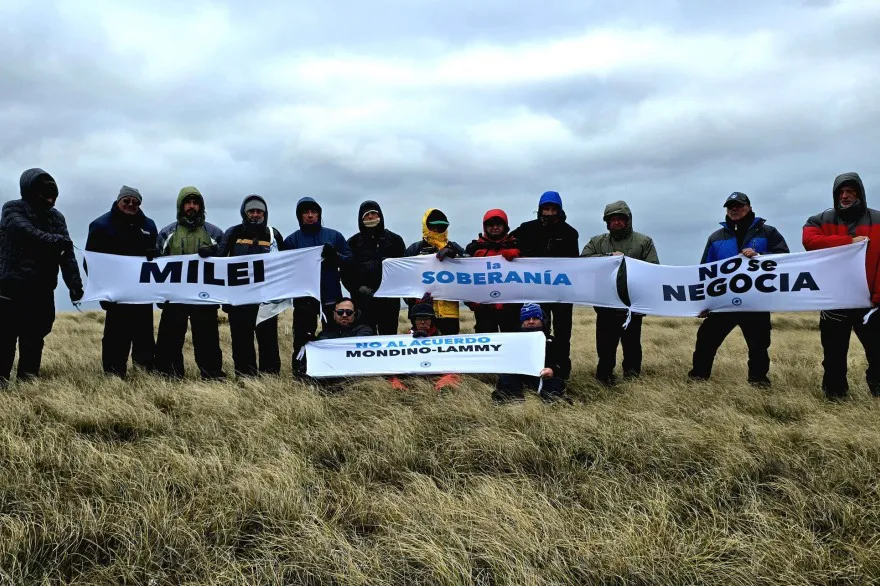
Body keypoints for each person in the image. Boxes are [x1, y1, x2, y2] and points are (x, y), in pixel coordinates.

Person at [688, 192, 789, 386]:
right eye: (730, 206)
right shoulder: (716, 237)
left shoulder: (767, 232)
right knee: (705, 340)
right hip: (723, 302)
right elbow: (706, 271)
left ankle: (758, 382)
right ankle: (698, 378)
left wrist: (759, 255)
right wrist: (704, 302)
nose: (734, 209)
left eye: (739, 205)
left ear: (749, 207)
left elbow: (783, 259)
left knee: (759, 346)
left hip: (755, 302)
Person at [0, 168, 83, 388]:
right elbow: (24, 232)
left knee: (34, 342)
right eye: (44, 193)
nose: (49, 198)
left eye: (52, 193)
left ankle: (28, 388)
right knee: (4, 343)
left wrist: (75, 285)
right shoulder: (12, 209)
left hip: (41, 292)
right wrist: (57, 241)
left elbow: (67, 254)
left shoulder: (57, 217)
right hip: (10, 291)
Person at [803, 172, 880, 400]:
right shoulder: (820, 219)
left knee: (877, 351)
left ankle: (877, 388)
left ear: (860, 194)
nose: (845, 196)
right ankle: (835, 395)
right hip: (835, 302)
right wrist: (848, 242)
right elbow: (810, 241)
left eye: (851, 192)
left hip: (870, 303)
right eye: (841, 192)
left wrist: (878, 295)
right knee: (834, 354)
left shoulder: (877, 219)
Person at [202, 194, 284, 377]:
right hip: (239, 302)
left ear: (265, 213)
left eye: (259, 211)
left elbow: (286, 263)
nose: (255, 214)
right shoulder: (233, 233)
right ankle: (246, 379)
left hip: (266, 302)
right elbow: (220, 258)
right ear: (244, 213)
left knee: (268, 341)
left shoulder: (273, 234)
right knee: (241, 342)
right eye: (251, 211)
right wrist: (210, 252)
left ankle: (271, 379)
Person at [580, 200, 659, 385]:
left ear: (628, 220)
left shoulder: (644, 242)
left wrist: (644, 301)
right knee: (605, 346)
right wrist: (608, 258)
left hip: (632, 304)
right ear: (607, 222)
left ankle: (632, 378)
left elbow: (653, 269)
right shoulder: (596, 242)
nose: (616, 222)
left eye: (620, 219)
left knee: (632, 345)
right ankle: (604, 378)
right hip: (605, 304)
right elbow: (583, 261)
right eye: (612, 219)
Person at [85, 185, 159, 378]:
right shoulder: (100, 225)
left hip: (142, 296)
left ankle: (145, 377)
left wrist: (154, 256)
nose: (131, 205)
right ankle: (113, 378)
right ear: (119, 201)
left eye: (135, 202)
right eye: (127, 200)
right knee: (115, 340)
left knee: (144, 339)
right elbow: (90, 263)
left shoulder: (149, 226)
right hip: (116, 298)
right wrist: (103, 292)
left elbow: (158, 261)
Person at [154, 186, 226, 381]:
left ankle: (212, 375)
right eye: (188, 202)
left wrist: (214, 253)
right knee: (170, 338)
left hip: (204, 298)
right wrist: (160, 294)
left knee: (208, 339)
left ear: (201, 206)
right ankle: (168, 376)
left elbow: (225, 263)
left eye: (195, 203)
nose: (191, 206)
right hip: (175, 297)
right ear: (180, 206)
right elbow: (155, 264)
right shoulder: (167, 233)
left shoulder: (215, 233)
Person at [510, 191, 579, 378]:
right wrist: (513, 250)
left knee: (563, 335)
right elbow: (507, 242)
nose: (549, 213)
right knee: (537, 331)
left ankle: (561, 372)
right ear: (540, 210)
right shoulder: (526, 228)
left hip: (562, 294)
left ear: (559, 210)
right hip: (536, 292)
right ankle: (535, 370)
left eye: (553, 209)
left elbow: (576, 264)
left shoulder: (570, 233)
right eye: (545, 209)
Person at [283, 197, 353, 371]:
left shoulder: (334, 236)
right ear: (299, 216)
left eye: (314, 212)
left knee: (333, 336)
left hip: (331, 295)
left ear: (319, 215)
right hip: (304, 297)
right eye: (306, 212)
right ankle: (300, 371)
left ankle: (335, 369)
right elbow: (284, 268)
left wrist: (334, 256)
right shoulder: (292, 241)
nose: (310, 216)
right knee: (302, 337)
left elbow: (350, 261)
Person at [342, 200, 405, 335]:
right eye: (366, 215)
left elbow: (403, 269)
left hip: (389, 302)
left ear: (380, 216)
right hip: (363, 302)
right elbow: (345, 272)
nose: (370, 217)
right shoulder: (353, 243)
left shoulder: (395, 240)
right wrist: (357, 289)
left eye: (373, 213)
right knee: (365, 338)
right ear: (361, 218)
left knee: (388, 339)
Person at [404, 208, 467, 335]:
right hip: (422, 313)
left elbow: (471, 270)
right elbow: (404, 282)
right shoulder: (414, 250)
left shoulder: (454, 247)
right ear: (426, 226)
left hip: (449, 314)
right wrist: (416, 301)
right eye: (434, 227)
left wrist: (456, 255)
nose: (438, 230)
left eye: (441, 227)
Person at [492, 303, 569, 404]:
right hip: (519, 377)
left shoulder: (553, 342)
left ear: (542, 321)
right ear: (522, 322)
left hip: (544, 377)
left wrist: (552, 370)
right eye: (527, 319)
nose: (531, 321)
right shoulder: (512, 341)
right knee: (506, 379)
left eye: (535, 318)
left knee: (555, 384)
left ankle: (553, 401)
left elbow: (563, 365)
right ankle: (513, 400)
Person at [465, 209, 522, 333]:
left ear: (505, 226)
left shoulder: (517, 245)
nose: (495, 228)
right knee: (487, 346)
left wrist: (520, 256)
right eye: (491, 225)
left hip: (511, 307)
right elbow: (463, 277)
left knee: (512, 342)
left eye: (499, 224)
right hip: (484, 308)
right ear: (485, 227)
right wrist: (472, 301)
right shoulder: (473, 249)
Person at [388, 295, 461, 392]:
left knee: (454, 372)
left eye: (426, 318)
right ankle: (400, 389)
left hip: (436, 369)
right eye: (419, 319)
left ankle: (442, 388)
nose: (422, 322)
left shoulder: (442, 338)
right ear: (414, 321)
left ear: (432, 320)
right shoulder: (406, 339)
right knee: (391, 372)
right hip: (413, 371)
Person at [296, 297, 374, 386]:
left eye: (348, 312)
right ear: (334, 315)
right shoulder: (325, 334)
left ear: (354, 314)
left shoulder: (364, 330)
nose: (344, 315)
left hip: (356, 377)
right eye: (340, 312)